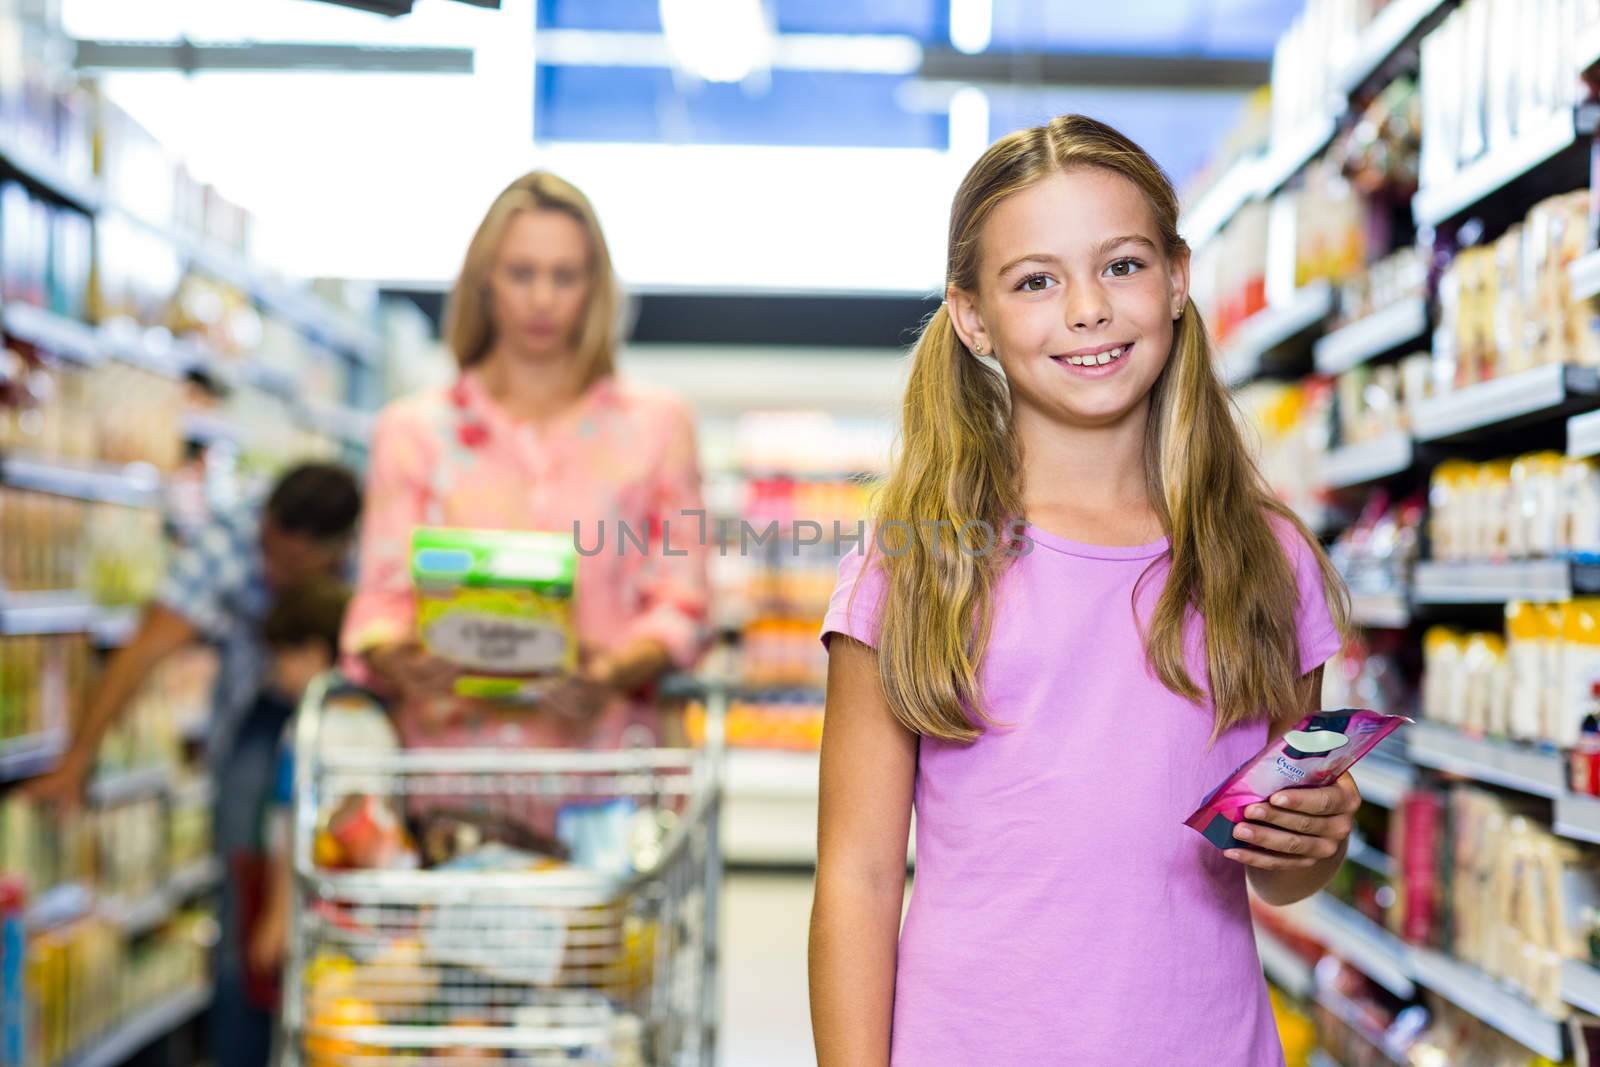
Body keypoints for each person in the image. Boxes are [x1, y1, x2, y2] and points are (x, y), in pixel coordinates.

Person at [808, 114, 1355, 1066]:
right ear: (972, 316)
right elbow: (855, 877)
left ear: (1179, 279)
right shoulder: (918, 565)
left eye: (1123, 265)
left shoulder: (1262, 560)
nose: (1088, 309)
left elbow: (1282, 874)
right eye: (1036, 280)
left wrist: (1312, 842)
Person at [344, 170, 710, 752]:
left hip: (607, 776)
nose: (542, 298)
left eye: (564, 276)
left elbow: (682, 601)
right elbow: (380, 601)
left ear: (596, 287)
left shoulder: (658, 426)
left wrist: (615, 670)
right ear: (485, 280)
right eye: (522, 273)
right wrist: (398, 658)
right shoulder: (413, 433)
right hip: (451, 774)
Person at [28, 461, 361, 1067]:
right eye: (268, 550)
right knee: (244, 894)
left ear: (335, 553)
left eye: (289, 564)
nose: (269, 569)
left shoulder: (373, 561)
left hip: (351, 731)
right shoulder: (230, 543)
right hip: (256, 725)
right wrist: (78, 758)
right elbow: (144, 648)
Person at [246, 576, 352, 987]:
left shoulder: (306, 730)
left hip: (308, 906)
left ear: (314, 652)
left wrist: (275, 916)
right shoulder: (367, 714)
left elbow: (292, 820)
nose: (275, 673)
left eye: (282, 657)